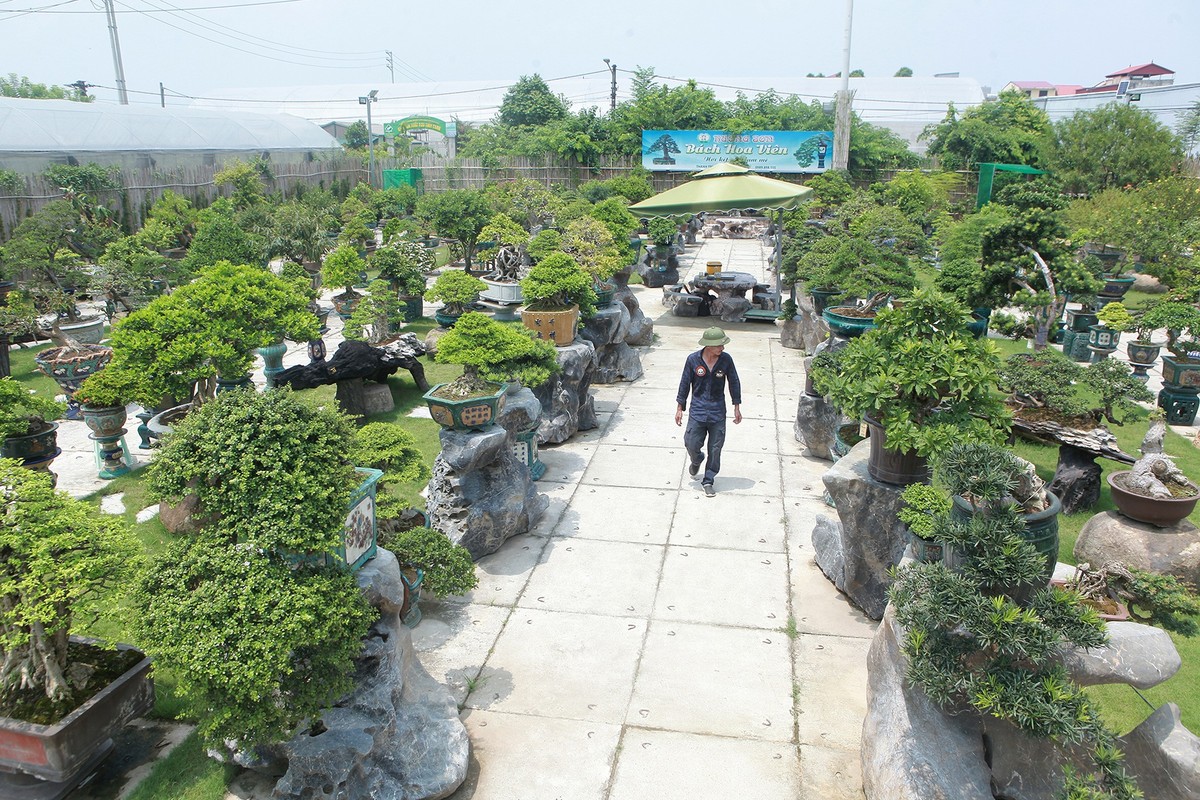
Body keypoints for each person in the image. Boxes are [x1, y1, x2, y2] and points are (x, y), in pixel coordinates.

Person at [675, 326, 742, 496]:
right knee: (691, 442)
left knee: (715, 448)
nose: (722, 348)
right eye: (719, 345)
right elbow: (684, 384)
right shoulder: (692, 360)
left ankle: (708, 480)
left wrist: (737, 406)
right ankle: (697, 459)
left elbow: (734, 382)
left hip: (717, 412)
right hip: (697, 411)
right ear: (709, 346)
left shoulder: (726, 360)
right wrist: (679, 408)